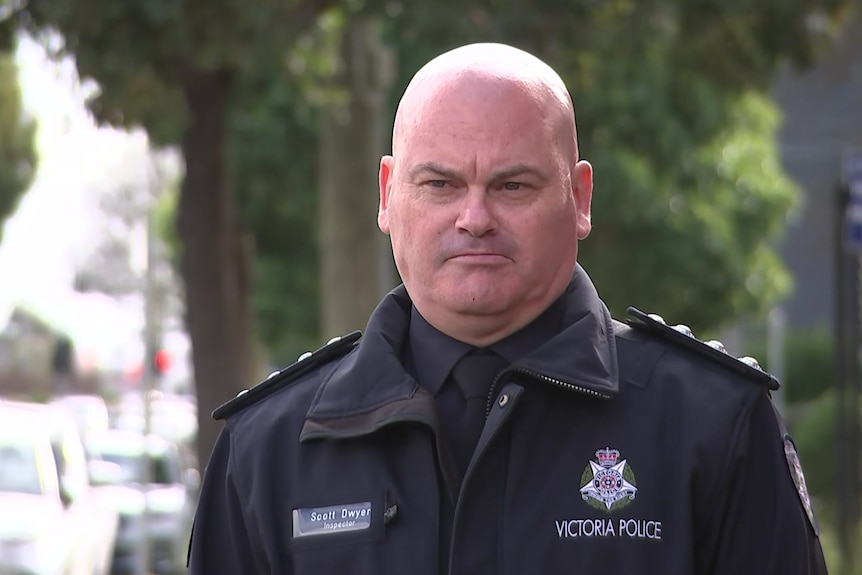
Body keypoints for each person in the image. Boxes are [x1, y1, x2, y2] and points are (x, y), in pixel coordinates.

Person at [187, 42, 827, 574]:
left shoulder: (714, 429)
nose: (474, 219)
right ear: (388, 195)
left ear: (578, 198)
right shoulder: (267, 452)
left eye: (512, 185)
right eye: (439, 184)